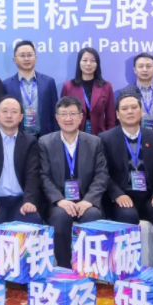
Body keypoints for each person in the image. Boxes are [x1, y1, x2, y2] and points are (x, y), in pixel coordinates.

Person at [98, 93, 153, 269]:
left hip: (149, 196)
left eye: (134, 107)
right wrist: (117, 194)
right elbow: (102, 172)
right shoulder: (105, 139)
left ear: (141, 112)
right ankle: (127, 268)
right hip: (121, 196)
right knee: (128, 215)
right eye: (125, 109)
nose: (130, 111)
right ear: (117, 114)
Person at [39, 97, 109, 268]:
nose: (68, 118)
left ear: (81, 117)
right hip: (59, 202)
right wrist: (60, 200)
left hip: (86, 200)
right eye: (63, 114)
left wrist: (88, 200)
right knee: (60, 217)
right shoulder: (45, 142)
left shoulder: (94, 142)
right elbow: (43, 176)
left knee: (93, 216)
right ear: (57, 118)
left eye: (72, 113)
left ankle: (90, 267)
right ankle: (65, 267)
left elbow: (102, 175)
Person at [0, 96, 43, 261]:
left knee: (33, 219)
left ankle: (27, 270)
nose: (9, 115)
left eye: (14, 112)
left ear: (21, 117)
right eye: (4, 111)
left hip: (21, 201)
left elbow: (32, 174)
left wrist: (29, 201)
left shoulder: (30, 141)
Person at [2, 41, 59, 137]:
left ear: (35, 58)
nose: (26, 59)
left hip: (45, 136)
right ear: (15, 60)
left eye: (29, 55)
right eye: (22, 55)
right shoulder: (6, 85)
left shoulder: (48, 82)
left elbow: (55, 112)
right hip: (18, 137)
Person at [116, 53, 153, 137]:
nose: (144, 69)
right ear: (135, 70)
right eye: (140, 66)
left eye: (148, 66)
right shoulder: (125, 92)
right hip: (132, 139)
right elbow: (120, 118)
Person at [60, 47, 116, 136]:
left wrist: (110, 136)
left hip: (100, 135)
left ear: (97, 64)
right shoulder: (68, 86)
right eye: (85, 60)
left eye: (92, 61)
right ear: (79, 62)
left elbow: (111, 117)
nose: (88, 64)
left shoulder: (106, 86)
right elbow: (62, 114)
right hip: (74, 134)